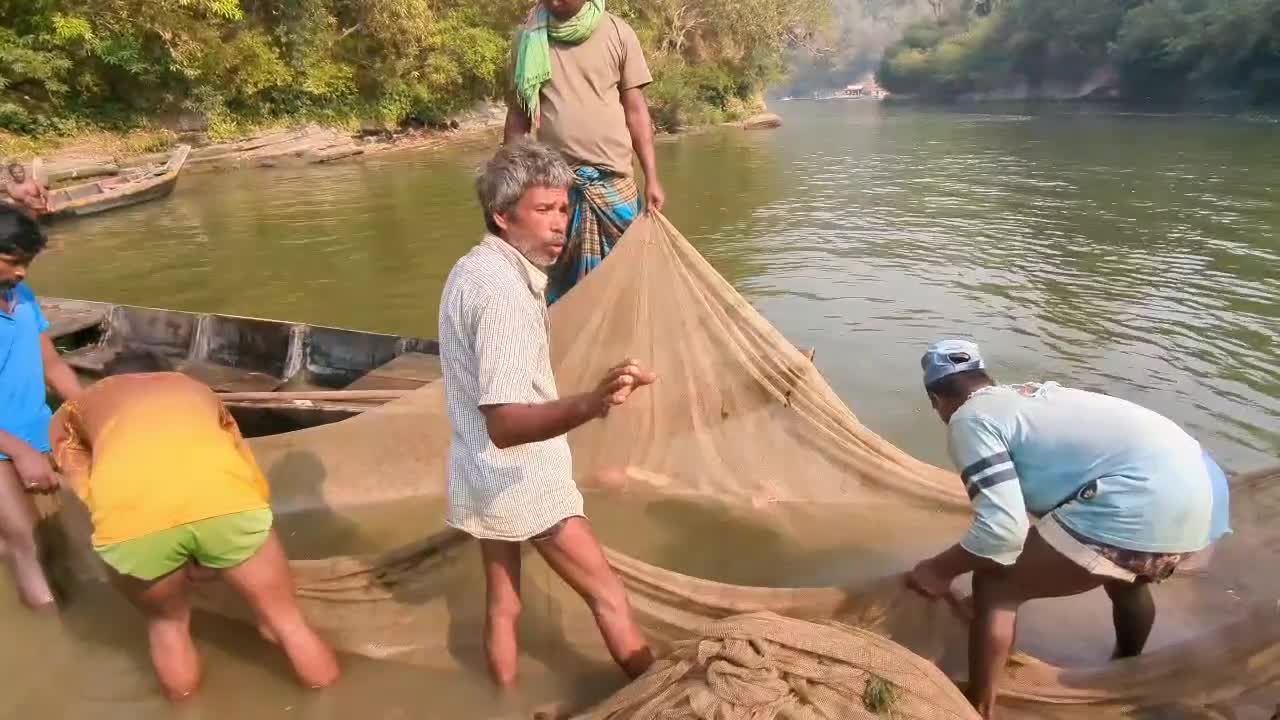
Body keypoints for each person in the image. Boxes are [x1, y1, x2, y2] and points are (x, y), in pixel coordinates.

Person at [906, 339, 1231, 719]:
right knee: (1127, 577)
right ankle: (1127, 668)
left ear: (935, 400)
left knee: (995, 584)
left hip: (1142, 499)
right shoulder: (1029, 397)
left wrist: (938, 570)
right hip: (1205, 497)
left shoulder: (970, 419)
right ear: (984, 377)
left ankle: (976, 706)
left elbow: (1001, 531)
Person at [439, 140, 657, 687]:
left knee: (504, 604)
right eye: (544, 210)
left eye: (564, 209)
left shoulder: (473, 268)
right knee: (607, 593)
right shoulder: (503, 295)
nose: (560, 224)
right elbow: (507, 423)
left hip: (477, 469)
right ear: (502, 215)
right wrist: (595, 402)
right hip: (520, 477)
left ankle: (502, 701)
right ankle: (659, 698)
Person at [47, 351, 339, 700]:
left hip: (133, 523)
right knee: (288, 623)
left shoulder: (74, 410)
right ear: (166, 375)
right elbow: (243, 465)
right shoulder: (197, 390)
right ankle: (335, 703)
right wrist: (218, 545)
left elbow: (86, 487)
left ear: (105, 381)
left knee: (167, 627)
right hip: (228, 507)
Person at [503, 0, 664, 304]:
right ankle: (567, 347)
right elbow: (517, 120)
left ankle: (626, 349)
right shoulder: (528, 39)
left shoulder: (618, 32)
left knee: (630, 286)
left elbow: (636, 112)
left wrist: (652, 177)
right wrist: (510, 187)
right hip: (557, 187)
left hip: (615, 185)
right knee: (563, 290)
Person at [0, 205, 82, 608]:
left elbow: (52, 364)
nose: (21, 273)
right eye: (13, 261)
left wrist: (90, 411)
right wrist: (18, 451)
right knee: (28, 544)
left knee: (65, 531)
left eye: (27, 263)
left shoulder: (21, 296)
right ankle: (55, 636)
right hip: (5, 447)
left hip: (39, 433)